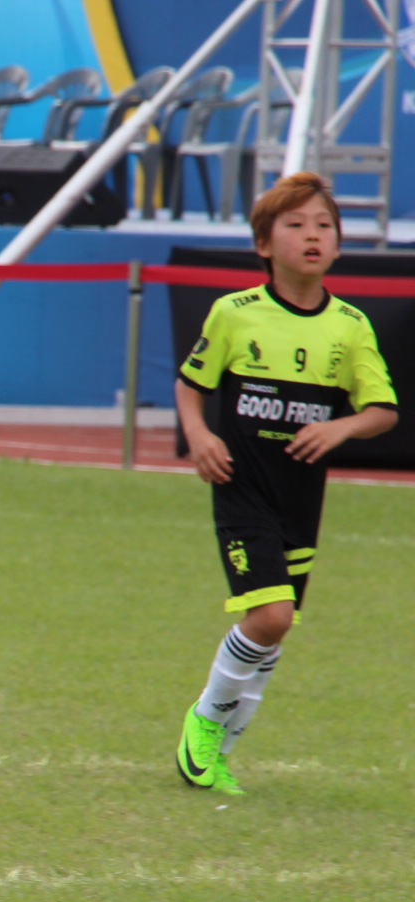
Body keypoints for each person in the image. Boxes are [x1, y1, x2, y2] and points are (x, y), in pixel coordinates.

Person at [173, 172, 397, 794]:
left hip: (301, 499)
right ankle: (204, 722)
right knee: (270, 618)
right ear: (264, 244)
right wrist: (199, 435)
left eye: (324, 225)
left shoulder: (349, 325)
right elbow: (191, 384)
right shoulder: (235, 313)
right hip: (242, 488)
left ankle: (220, 752)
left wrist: (341, 427)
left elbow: (383, 410)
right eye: (295, 225)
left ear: (338, 244)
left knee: (277, 627)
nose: (312, 235)